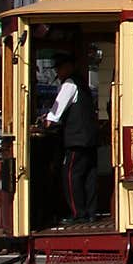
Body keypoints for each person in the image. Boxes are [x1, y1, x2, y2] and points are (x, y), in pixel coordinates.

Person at [43, 51, 98, 225]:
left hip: (77, 140)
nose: (57, 73)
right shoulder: (83, 84)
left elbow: (54, 115)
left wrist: (47, 121)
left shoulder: (70, 84)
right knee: (89, 176)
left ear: (68, 67)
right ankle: (91, 212)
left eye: (59, 68)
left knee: (70, 176)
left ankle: (78, 214)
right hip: (89, 139)